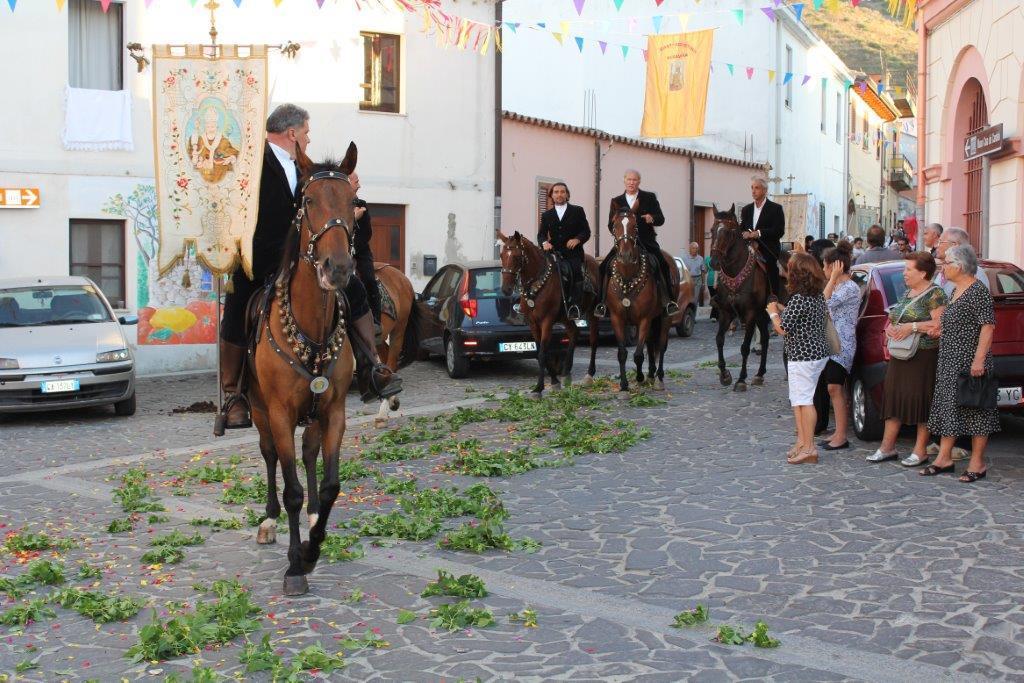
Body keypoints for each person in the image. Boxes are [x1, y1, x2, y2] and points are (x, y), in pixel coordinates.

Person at [218, 104, 399, 430]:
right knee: (236, 303)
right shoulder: (251, 163)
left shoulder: (305, 168)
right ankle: (234, 395)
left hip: (304, 258)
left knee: (354, 288)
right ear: (292, 133)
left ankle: (372, 367)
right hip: (262, 259)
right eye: (306, 132)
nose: (308, 138)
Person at [921, 245, 999, 483]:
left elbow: (988, 327)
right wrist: (940, 330)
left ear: (960, 266)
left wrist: (979, 360)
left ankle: (978, 463)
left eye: (946, 263)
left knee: (976, 412)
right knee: (949, 409)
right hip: (950, 361)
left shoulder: (978, 291)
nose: (943, 268)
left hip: (969, 361)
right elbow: (957, 322)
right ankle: (943, 458)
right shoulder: (955, 290)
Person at [866, 252, 947, 466]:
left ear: (923, 273)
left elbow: (939, 324)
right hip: (900, 354)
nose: (904, 273)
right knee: (893, 399)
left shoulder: (936, 294)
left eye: (908, 269)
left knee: (921, 401)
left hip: (923, 356)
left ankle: (920, 451)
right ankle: (887, 448)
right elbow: (896, 318)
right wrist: (892, 328)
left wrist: (912, 327)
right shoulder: (908, 292)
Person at [767, 253, 832, 465]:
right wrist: (782, 309)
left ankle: (809, 448)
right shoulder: (816, 296)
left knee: (803, 401)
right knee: (798, 400)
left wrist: (773, 313)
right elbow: (801, 317)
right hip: (815, 353)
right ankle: (802, 443)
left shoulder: (798, 298)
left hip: (803, 355)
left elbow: (783, 328)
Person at [595, 169, 679, 317]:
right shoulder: (616, 201)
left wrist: (652, 218)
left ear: (639, 182)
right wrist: (615, 224)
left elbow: (661, 219)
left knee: (663, 264)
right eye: (629, 179)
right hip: (624, 243)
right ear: (624, 181)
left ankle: (669, 301)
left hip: (646, 241)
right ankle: (601, 304)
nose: (631, 182)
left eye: (634, 180)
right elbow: (610, 225)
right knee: (603, 267)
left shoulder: (649, 197)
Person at [817, 242, 859, 450]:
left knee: (835, 387)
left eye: (825, 266)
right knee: (833, 388)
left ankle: (841, 436)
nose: (823, 270)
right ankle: (838, 432)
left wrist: (832, 278)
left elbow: (822, 304)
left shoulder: (849, 288)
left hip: (842, 345)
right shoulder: (839, 287)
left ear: (835, 266)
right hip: (832, 343)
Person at [538, 182, 591, 320]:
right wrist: (544, 243)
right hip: (554, 252)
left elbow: (586, 231)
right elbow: (541, 234)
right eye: (556, 192)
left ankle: (575, 306)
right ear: (551, 195)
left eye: (562, 192)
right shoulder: (547, 215)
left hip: (572, 253)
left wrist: (577, 239)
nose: (559, 194)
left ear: (567, 194)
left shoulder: (577, 211)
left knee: (576, 272)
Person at [740, 176, 786, 300]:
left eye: (757, 188)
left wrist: (759, 233)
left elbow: (779, 231)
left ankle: (774, 296)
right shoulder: (746, 209)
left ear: (764, 190)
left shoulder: (776, 208)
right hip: (749, 246)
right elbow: (742, 227)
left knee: (771, 266)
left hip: (768, 247)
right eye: (752, 188)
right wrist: (744, 233)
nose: (753, 191)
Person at [349, 172, 382, 336]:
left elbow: (366, 233)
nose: (359, 185)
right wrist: (353, 218)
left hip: (360, 252)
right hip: (339, 251)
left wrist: (352, 248)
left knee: (368, 278)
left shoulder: (362, 205)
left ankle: (376, 319)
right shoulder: (336, 204)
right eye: (356, 181)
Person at [933, 226, 990, 293]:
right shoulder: (945, 269)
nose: (936, 246)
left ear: (954, 245)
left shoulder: (975, 273)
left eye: (940, 242)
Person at [705, 252, 717, 320]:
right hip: (710, 281)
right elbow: (705, 270)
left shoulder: (719, 258)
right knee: (714, 298)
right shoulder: (707, 259)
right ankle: (714, 315)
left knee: (717, 298)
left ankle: (714, 315)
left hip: (718, 281)